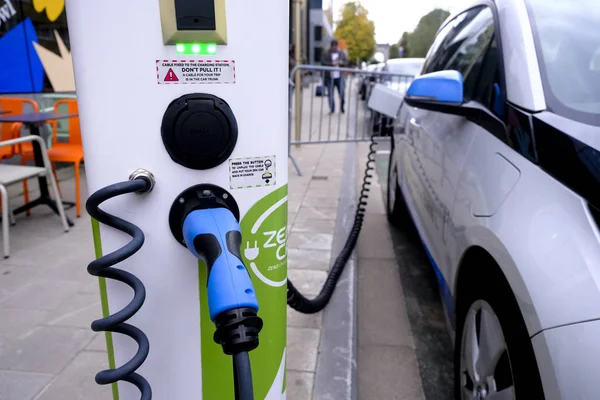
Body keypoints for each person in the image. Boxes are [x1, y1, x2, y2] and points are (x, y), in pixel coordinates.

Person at [321, 39, 348, 113]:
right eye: (333, 46)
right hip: (330, 77)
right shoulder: (326, 53)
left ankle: (342, 106)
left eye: (336, 46)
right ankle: (332, 108)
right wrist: (331, 64)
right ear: (331, 46)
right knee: (330, 94)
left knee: (342, 93)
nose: (335, 48)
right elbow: (323, 62)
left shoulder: (341, 53)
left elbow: (346, 62)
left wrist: (342, 63)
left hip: (340, 76)